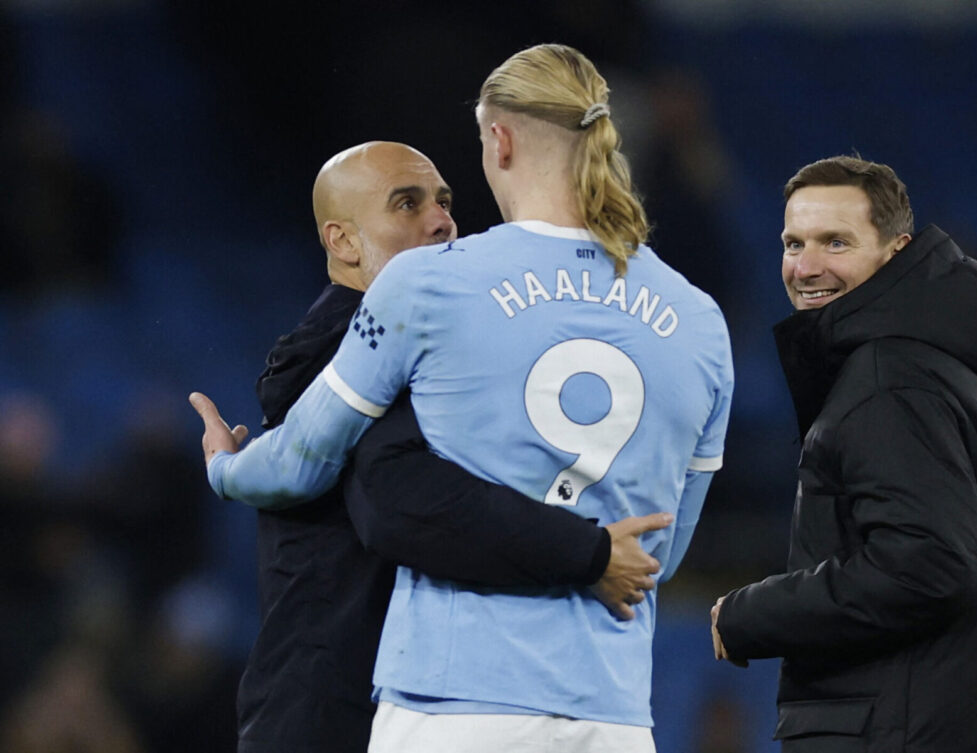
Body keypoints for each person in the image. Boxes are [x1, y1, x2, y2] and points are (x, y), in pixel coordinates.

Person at [193, 44, 733, 753]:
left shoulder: (434, 288)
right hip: (614, 708)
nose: (442, 218)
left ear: (498, 139)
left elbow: (312, 460)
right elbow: (667, 546)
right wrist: (595, 550)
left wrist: (227, 468)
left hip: (451, 700)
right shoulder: (700, 320)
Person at [710, 155, 977, 752]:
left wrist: (753, 613)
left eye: (835, 242)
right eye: (793, 242)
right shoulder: (933, 360)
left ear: (896, 252)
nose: (806, 267)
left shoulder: (890, 379)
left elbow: (928, 565)